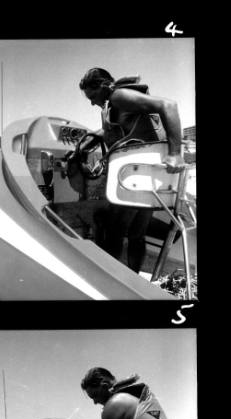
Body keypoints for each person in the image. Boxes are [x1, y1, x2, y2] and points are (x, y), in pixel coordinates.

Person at [78, 68, 185, 272]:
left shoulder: (118, 96)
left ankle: (109, 280)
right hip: (145, 177)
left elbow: (168, 105)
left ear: (104, 86)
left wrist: (175, 153)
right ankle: (133, 278)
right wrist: (82, 148)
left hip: (134, 177)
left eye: (93, 96)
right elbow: (109, 130)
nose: (92, 102)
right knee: (136, 234)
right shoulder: (115, 104)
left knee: (113, 230)